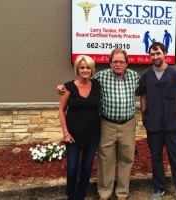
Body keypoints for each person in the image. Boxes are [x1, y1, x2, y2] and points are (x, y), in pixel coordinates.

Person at [57, 49, 140, 200]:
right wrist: (62, 87)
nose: (118, 64)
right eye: (115, 61)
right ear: (110, 63)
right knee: (105, 160)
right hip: (107, 124)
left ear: (127, 63)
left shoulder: (135, 76)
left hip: (128, 124)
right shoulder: (101, 77)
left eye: (121, 61)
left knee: (126, 159)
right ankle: (104, 193)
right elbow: (81, 81)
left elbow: (146, 92)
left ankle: (122, 193)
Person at [139, 42, 176, 200]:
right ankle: (159, 188)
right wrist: (144, 117)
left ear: (165, 53)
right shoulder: (146, 75)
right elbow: (143, 97)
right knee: (156, 159)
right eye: (152, 54)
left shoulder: (175, 74)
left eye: (158, 53)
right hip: (153, 126)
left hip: (172, 127)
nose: (155, 57)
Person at [59, 55, 101, 200]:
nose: (85, 70)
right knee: (72, 169)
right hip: (73, 135)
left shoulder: (96, 84)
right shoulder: (68, 86)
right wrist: (65, 132)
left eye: (88, 67)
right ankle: (71, 196)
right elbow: (61, 110)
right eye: (82, 67)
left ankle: (81, 196)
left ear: (92, 69)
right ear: (77, 69)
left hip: (92, 134)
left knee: (87, 167)